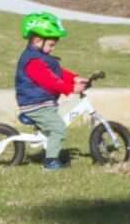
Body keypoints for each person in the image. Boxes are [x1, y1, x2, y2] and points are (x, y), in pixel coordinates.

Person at [13, 9, 82, 171]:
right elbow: (51, 81)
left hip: (42, 102)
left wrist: (75, 78)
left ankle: (48, 148)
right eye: (51, 45)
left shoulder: (40, 57)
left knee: (54, 126)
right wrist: (71, 88)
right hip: (35, 104)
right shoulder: (33, 62)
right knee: (58, 128)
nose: (52, 49)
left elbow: (57, 72)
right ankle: (50, 162)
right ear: (38, 41)